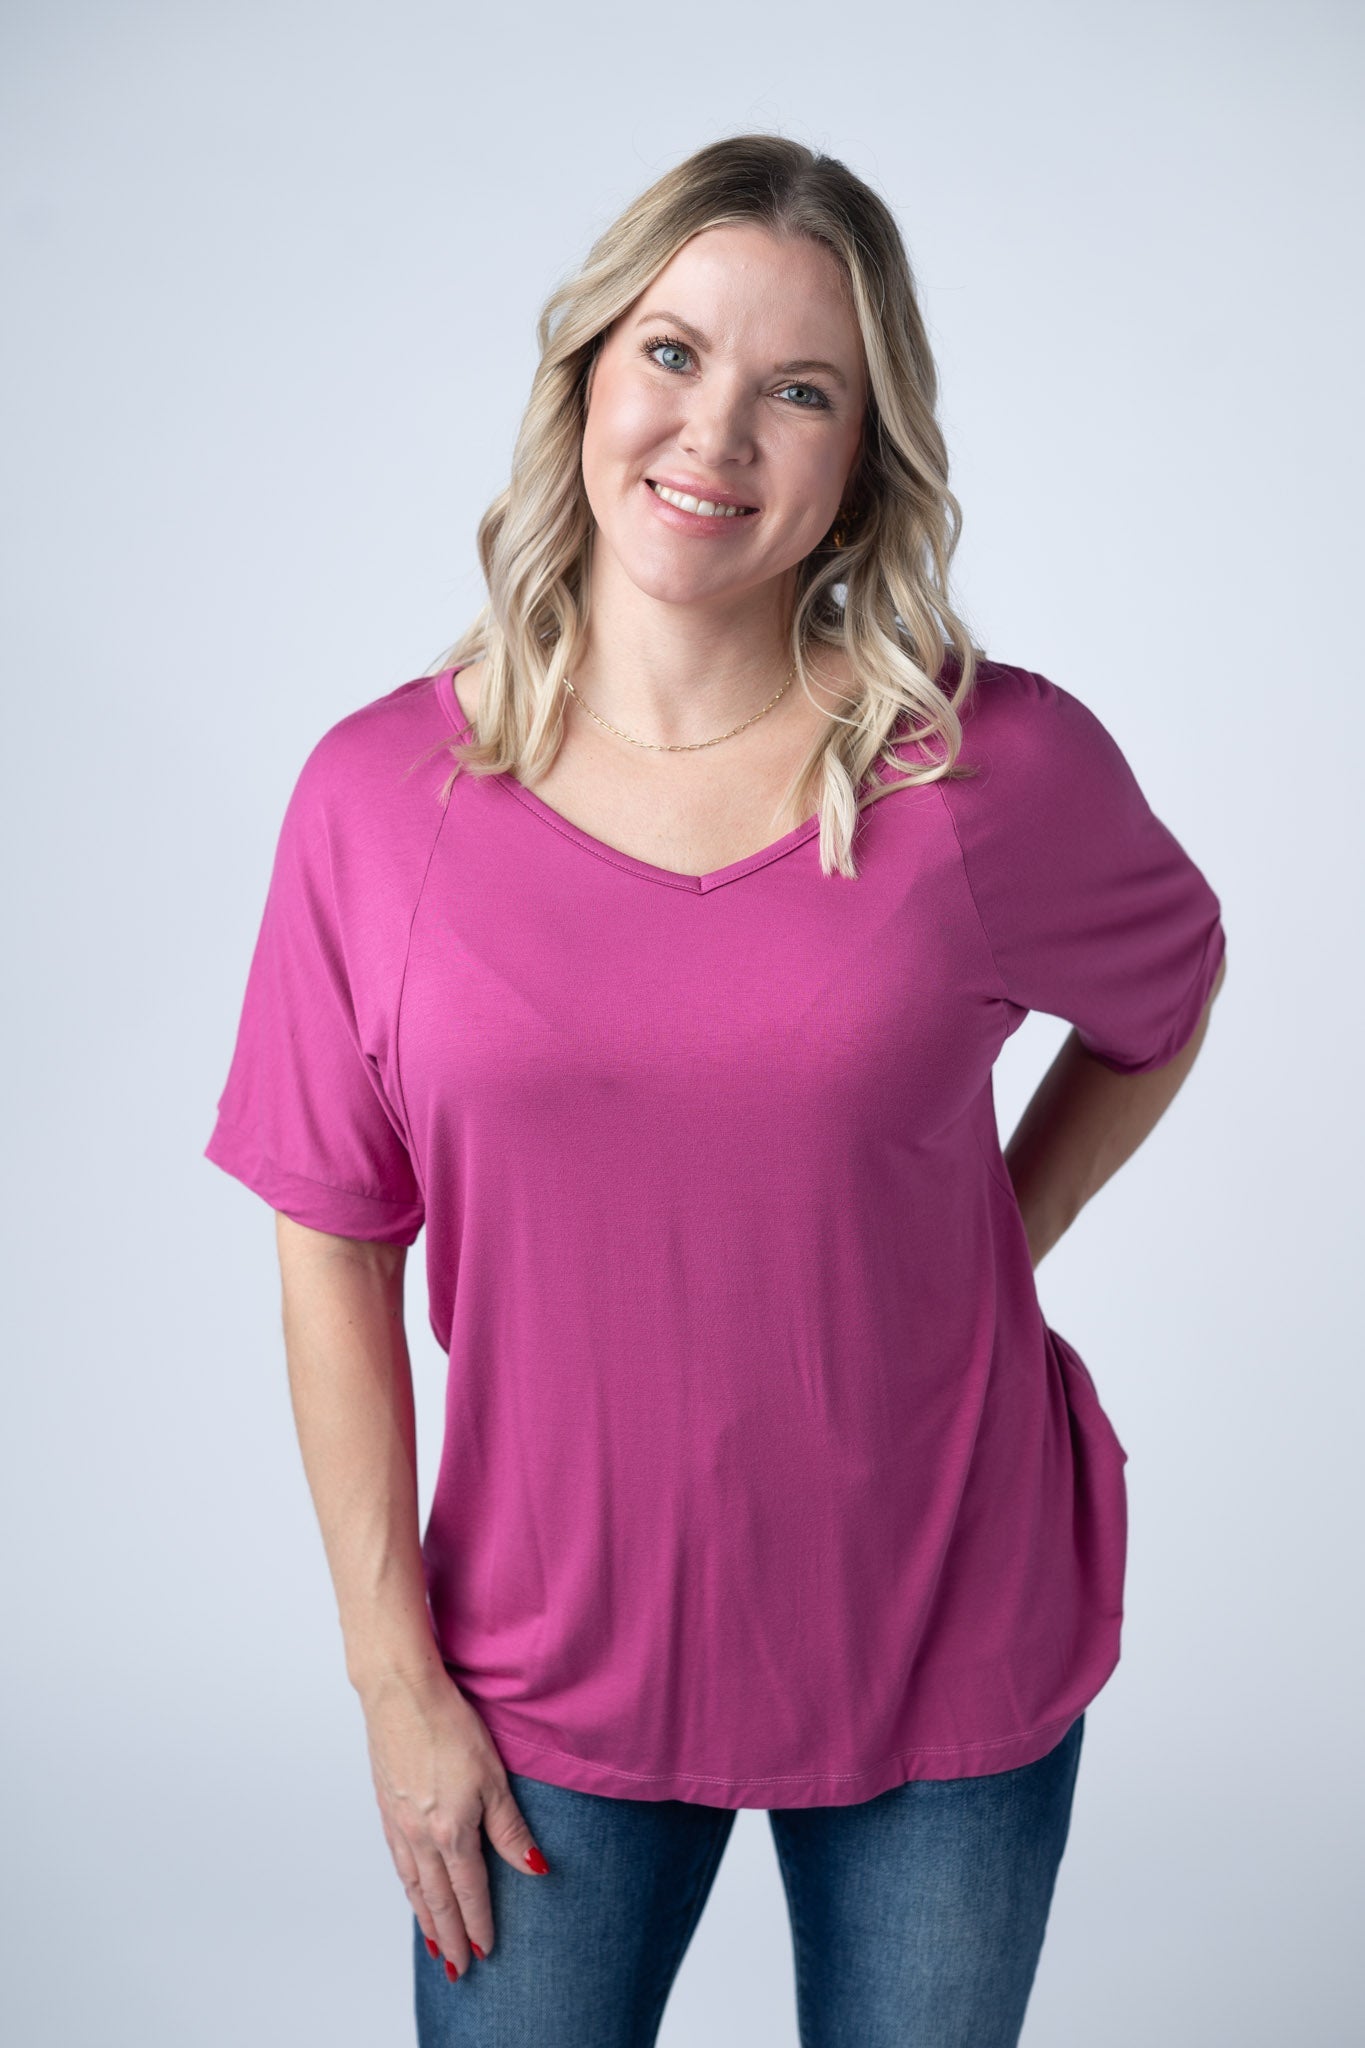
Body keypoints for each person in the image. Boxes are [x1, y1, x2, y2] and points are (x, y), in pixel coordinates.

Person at [204, 134, 1228, 2047]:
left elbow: (1162, 995)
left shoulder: (985, 774)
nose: (717, 433)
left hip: (945, 1621)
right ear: (586, 374)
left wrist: (997, 1239)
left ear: (861, 459)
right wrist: (396, 1687)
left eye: (799, 389)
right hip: (542, 1673)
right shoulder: (378, 804)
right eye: (672, 353)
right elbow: (330, 1243)